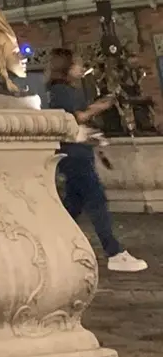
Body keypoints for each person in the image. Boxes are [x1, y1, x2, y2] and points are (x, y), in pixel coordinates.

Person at [46, 50, 147, 273]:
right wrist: (101, 106)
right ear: (66, 67)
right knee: (96, 199)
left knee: (72, 206)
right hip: (73, 155)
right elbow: (74, 118)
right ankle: (114, 252)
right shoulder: (60, 91)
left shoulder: (69, 90)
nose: (81, 68)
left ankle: (48, 243)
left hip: (78, 152)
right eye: (77, 64)